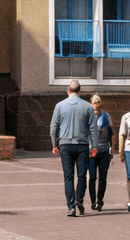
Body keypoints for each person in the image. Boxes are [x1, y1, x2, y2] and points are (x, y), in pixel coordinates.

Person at [48, 79, 95, 216]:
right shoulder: (87, 107)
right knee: (82, 175)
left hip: (65, 145)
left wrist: (54, 144)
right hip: (82, 145)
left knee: (68, 177)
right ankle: (79, 199)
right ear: (79, 91)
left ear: (69, 90)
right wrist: (95, 146)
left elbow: (53, 127)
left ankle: (71, 206)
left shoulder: (60, 106)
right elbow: (93, 128)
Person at [87, 94, 114, 211]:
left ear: (100, 103)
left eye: (98, 102)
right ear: (91, 103)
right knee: (92, 177)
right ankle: (93, 201)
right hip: (91, 151)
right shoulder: (87, 115)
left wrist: (112, 148)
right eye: (94, 102)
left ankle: (100, 200)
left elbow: (112, 134)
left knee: (103, 177)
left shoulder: (106, 116)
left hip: (103, 151)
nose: (96, 104)